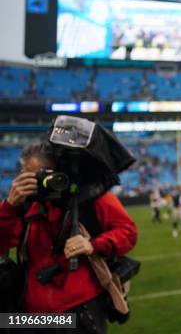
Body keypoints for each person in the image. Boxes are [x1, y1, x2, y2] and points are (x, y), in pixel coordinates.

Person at [0, 142, 137, 333]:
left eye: (47, 175)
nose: (43, 183)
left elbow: (128, 232)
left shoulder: (89, 196)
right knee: (5, 322)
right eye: (34, 176)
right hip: (32, 314)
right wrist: (9, 207)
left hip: (78, 310)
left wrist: (92, 245)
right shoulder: (23, 205)